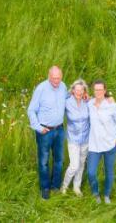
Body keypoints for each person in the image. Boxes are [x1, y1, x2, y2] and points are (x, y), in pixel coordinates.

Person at [26, 65, 67, 199]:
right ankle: (45, 188)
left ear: (61, 77)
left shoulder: (63, 86)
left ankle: (55, 186)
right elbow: (31, 110)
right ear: (49, 76)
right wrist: (38, 127)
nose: (56, 81)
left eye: (59, 78)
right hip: (45, 131)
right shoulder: (41, 89)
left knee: (59, 160)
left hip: (59, 129)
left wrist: (82, 96)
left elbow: (66, 99)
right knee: (44, 161)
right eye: (54, 78)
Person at [85, 79, 116, 204]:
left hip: (110, 145)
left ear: (104, 91)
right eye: (96, 90)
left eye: (100, 90)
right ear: (93, 90)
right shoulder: (89, 104)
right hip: (94, 145)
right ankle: (96, 193)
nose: (98, 92)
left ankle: (107, 195)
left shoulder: (111, 105)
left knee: (109, 171)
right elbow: (78, 96)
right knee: (91, 172)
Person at [60, 79, 91, 195]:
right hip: (73, 139)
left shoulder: (87, 102)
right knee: (74, 165)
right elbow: (60, 98)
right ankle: (64, 186)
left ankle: (76, 187)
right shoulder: (67, 102)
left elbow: (98, 102)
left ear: (84, 91)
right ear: (73, 91)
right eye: (76, 90)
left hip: (85, 139)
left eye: (81, 90)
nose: (79, 92)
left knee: (82, 164)